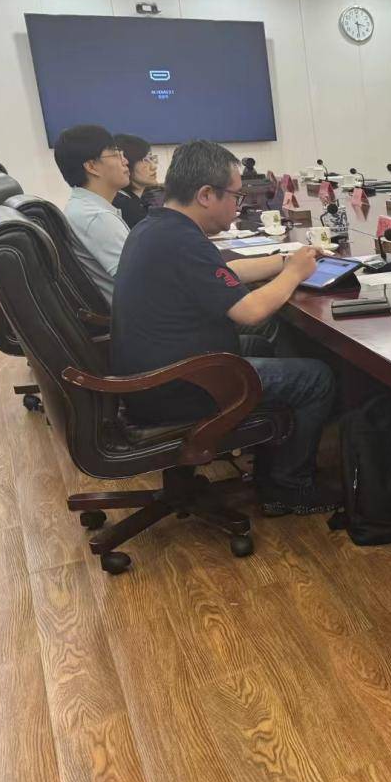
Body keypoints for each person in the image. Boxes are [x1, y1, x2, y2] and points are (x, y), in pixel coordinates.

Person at [111, 140, 339, 515]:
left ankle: (269, 463)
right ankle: (289, 488)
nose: (238, 205)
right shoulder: (181, 240)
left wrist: (285, 261)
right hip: (178, 385)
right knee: (317, 378)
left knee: (265, 347)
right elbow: (250, 312)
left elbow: (222, 271)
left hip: (159, 373)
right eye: (235, 196)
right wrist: (296, 274)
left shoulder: (159, 227)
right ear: (205, 195)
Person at [54, 124, 132, 303]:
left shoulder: (82, 207)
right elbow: (141, 280)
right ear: (92, 166)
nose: (125, 161)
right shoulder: (97, 217)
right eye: (115, 154)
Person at [112, 134, 161, 228]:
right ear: (125, 163)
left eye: (151, 158)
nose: (153, 166)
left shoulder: (143, 201)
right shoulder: (125, 207)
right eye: (144, 160)